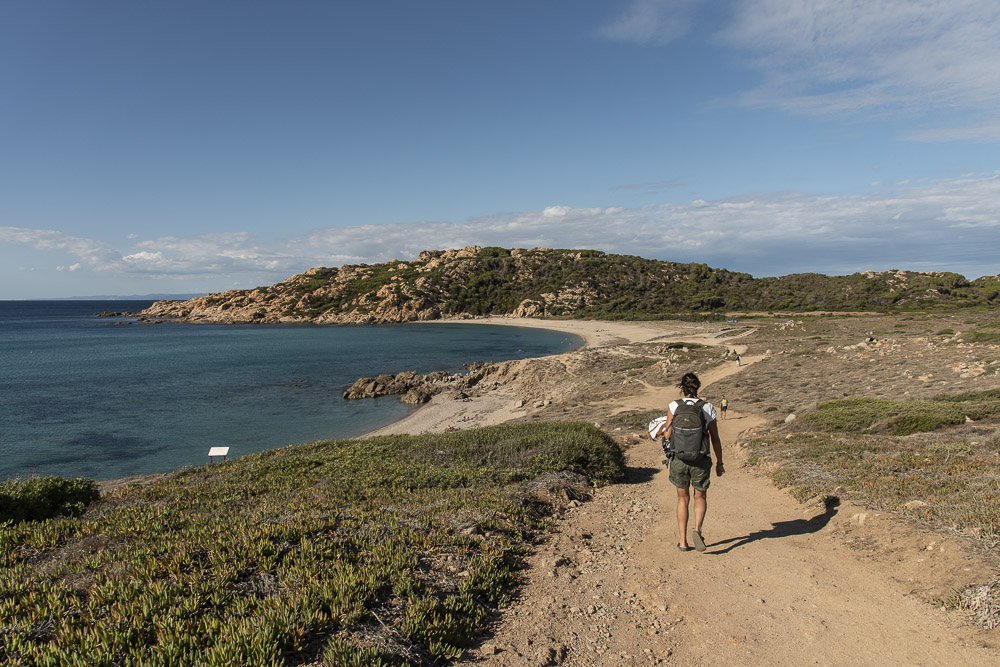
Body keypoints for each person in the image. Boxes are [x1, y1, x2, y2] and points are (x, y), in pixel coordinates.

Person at [650, 372, 724, 552]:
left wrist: (662, 428)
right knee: (700, 496)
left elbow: (667, 434)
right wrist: (720, 463)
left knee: (682, 499)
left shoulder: (674, 406)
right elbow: (715, 439)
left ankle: (683, 542)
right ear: (698, 386)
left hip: (679, 458)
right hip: (701, 458)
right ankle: (697, 529)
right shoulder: (708, 408)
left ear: (681, 388)